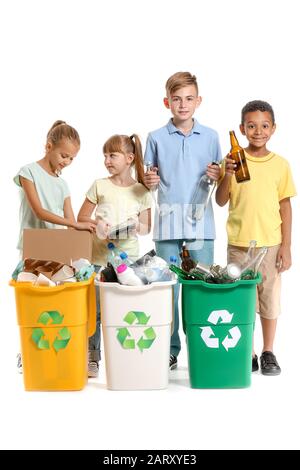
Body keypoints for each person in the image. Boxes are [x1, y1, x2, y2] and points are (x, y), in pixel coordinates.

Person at [144, 72, 222, 370]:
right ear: (167, 102)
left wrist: (219, 175)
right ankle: (171, 348)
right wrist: (149, 179)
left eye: (189, 98)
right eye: (176, 99)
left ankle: (200, 345)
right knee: (168, 289)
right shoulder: (156, 138)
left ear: (198, 101)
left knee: (200, 286)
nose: (183, 104)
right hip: (167, 225)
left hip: (201, 225)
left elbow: (219, 178)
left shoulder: (212, 137)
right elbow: (148, 180)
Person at [216, 100, 296, 375]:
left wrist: (286, 246)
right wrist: (226, 174)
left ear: (273, 129)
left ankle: (268, 351)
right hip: (239, 243)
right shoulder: (233, 160)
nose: (258, 131)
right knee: (242, 298)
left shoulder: (280, 165)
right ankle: (247, 351)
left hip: (270, 244)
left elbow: (285, 206)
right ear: (242, 129)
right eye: (251, 126)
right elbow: (220, 200)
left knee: (269, 298)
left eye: (264, 126)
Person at [14, 120, 96, 372]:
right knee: (33, 301)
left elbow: (72, 223)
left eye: (72, 159)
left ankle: (58, 348)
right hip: (34, 247)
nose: (66, 162)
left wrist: (86, 228)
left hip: (57, 250)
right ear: (48, 146)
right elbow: (39, 212)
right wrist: (74, 224)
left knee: (57, 303)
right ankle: (26, 352)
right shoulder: (28, 172)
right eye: (63, 155)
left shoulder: (63, 185)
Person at [77, 134, 152, 378]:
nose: (107, 160)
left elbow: (146, 227)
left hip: (128, 261)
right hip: (99, 260)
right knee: (96, 310)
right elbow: (82, 218)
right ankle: (93, 356)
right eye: (105, 156)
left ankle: (129, 354)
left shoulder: (141, 190)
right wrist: (97, 224)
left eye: (113, 155)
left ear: (129, 158)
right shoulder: (100, 185)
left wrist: (134, 226)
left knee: (126, 308)